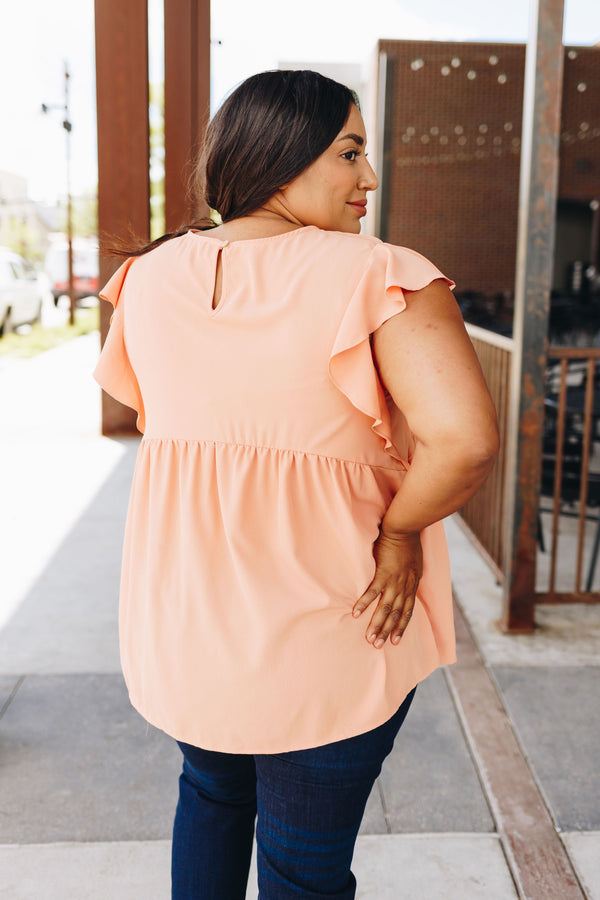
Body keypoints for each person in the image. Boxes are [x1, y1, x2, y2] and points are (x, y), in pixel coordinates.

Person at [94, 69, 499, 899]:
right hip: (329, 626)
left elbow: (160, 424)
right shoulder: (377, 273)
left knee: (208, 795)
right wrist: (398, 535)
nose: (369, 178)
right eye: (351, 151)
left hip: (188, 626)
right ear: (284, 157)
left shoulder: (149, 277)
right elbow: (463, 444)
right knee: (301, 870)